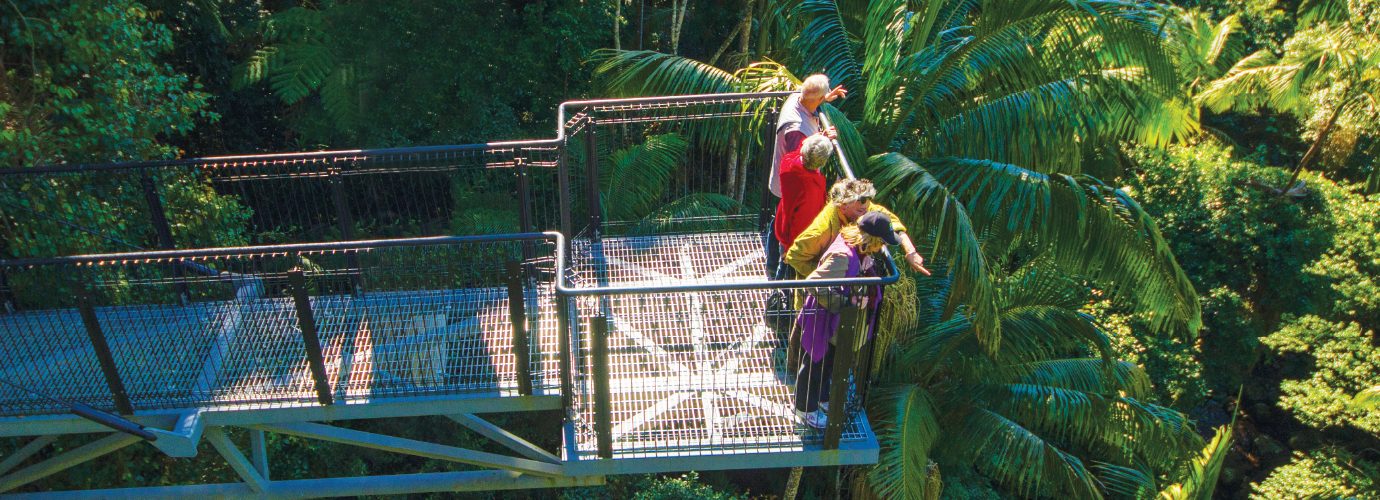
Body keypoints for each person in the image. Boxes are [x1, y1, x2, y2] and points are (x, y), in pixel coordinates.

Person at [793, 212, 895, 428]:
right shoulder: (843, 256)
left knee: (827, 361)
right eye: (882, 243)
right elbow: (813, 283)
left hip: (832, 320)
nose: (882, 248)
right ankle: (804, 408)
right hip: (821, 316)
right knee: (813, 364)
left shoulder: (857, 251)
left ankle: (821, 399)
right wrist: (846, 301)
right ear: (872, 240)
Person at [764, 74, 847, 278]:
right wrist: (824, 139)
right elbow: (802, 151)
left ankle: (772, 263)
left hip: (786, 183)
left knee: (779, 221)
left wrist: (825, 98)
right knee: (782, 227)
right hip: (792, 188)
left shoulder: (796, 98)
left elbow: (802, 152)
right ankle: (776, 270)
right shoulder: (796, 130)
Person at [783, 179, 930, 281]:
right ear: (843, 206)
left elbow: (893, 224)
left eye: (866, 200)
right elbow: (794, 257)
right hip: (815, 297)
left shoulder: (865, 207)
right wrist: (829, 275)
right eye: (860, 202)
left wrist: (911, 252)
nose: (865, 205)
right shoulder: (821, 231)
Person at [772, 135, 832, 279]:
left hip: (783, 226)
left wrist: (821, 137)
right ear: (822, 161)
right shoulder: (810, 189)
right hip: (794, 241)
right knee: (788, 276)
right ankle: (779, 299)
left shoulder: (789, 163)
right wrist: (791, 249)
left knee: (783, 268)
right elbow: (801, 224)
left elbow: (802, 149)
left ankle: (777, 295)